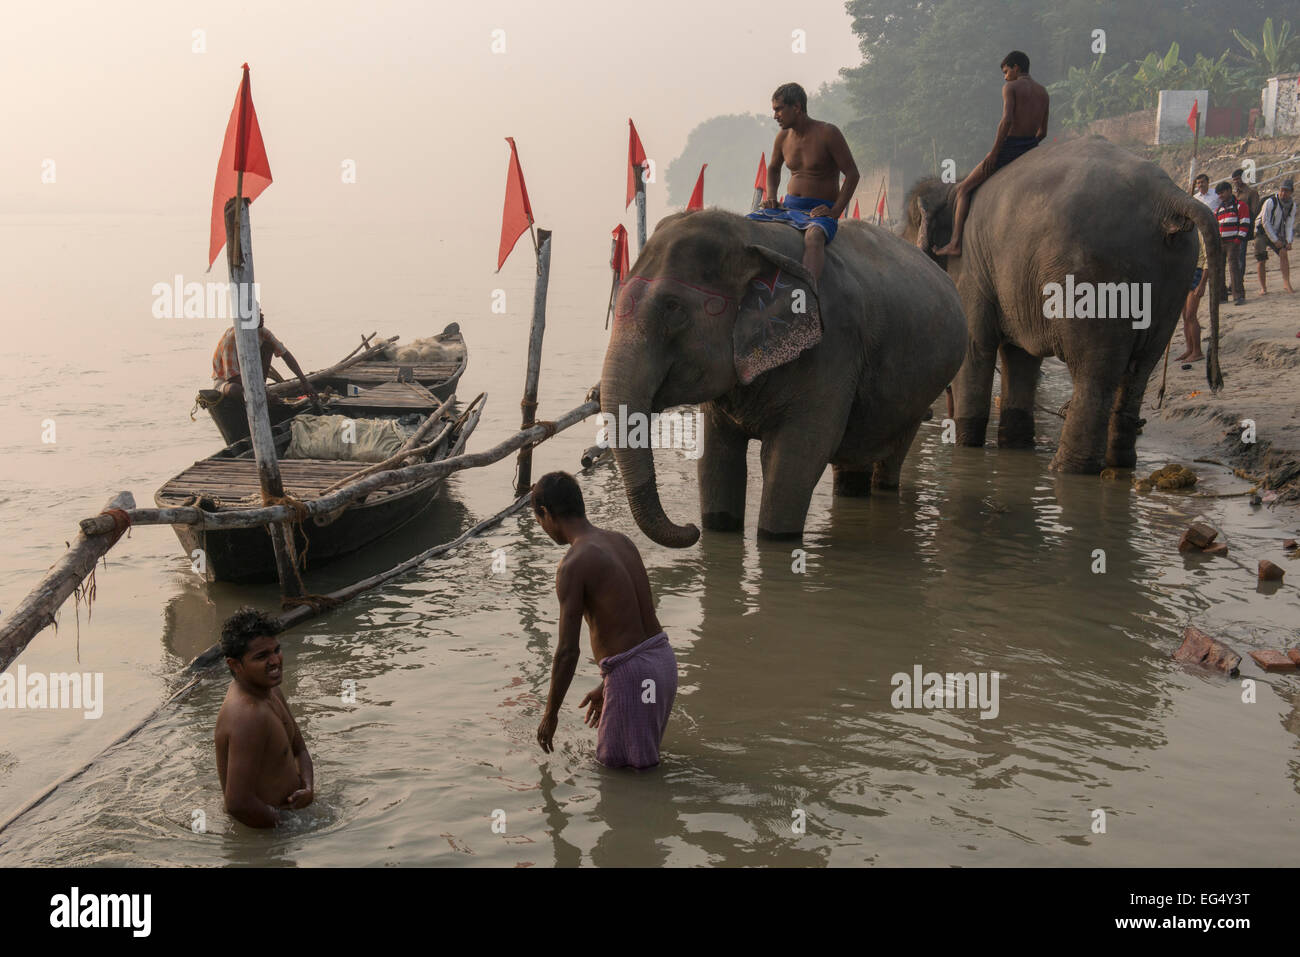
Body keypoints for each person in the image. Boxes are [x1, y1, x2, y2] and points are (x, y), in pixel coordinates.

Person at [531, 471, 677, 770]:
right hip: (662, 662)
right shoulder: (619, 541)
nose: (543, 528)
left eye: (539, 520)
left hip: (634, 674)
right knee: (640, 769)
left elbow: (567, 651)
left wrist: (550, 714)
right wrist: (611, 683)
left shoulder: (573, 563)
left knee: (620, 780)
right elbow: (635, 622)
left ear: (545, 513)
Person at [932, 51, 1049, 257]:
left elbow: (1007, 121)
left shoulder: (1010, 87)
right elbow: (1043, 132)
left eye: (1006, 71)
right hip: (1031, 148)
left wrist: (995, 152)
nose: (1005, 77)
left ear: (1016, 68)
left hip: (1009, 148)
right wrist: (1028, 145)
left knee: (963, 189)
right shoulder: (1043, 92)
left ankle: (955, 242)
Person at [746, 82, 860, 287]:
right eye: (774, 110)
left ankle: (807, 295)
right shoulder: (782, 138)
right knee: (747, 225)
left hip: (817, 211)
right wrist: (771, 196)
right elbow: (773, 169)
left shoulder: (828, 133)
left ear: (797, 107)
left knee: (814, 237)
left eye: (779, 109)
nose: (775, 116)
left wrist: (834, 211)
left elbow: (852, 174)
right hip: (788, 208)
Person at [215, 607, 314, 828]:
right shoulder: (248, 716)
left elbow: (300, 749)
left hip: (289, 817)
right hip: (269, 829)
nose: (275, 661)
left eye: (276, 650)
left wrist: (307, 788)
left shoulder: (270, 689)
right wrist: (287, 829)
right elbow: (238, 804)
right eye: (261, 656)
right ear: (235, 665)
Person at [205, 311, 320, 405]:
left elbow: (285, 354)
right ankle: (260, 396)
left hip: (254, 379)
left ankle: (262, 390)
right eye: (258, 313)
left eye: (260, 312)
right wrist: (262, 392)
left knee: (268, 346)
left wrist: (304, 382)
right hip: (226, 382)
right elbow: (233, 378)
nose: (262, 315)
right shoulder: (231, 340)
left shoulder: (262, 332)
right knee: (236, 390)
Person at [1256, 179, 1296, 296]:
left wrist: (1289, 241)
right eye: (1282, 190)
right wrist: (1275, 240)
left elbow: (1289, 224)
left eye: (1286, 191)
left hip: (1276, 231)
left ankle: (1286, 283)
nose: (1283, 193)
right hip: (1261, 231)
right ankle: (1263, 287)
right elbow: (1265, 222)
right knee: (1261, 258)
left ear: (1291, 192)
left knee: (1284, 252)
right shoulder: (1270, 201)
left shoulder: (1292, 205)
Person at [1214, 181, 1248, 305]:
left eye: (1222, 193)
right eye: (1218, 194)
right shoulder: (1219, 209)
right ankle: (1222, 296)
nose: (1220, 196)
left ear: (1229, 190)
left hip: (1233, 242)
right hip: (1221, 243)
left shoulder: (1240, 205)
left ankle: (1238, 295)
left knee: (1234, 268)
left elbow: (1245, 224)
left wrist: (1238, 240)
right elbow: (1215, 226)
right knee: (1220, 269)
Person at [1176, 231, 1208, 362]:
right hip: (1184, 271)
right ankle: (1190, 349)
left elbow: (1208, 259)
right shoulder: (1184, 231)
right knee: (1184, 315)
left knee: (1190, 314)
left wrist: (1202, 284)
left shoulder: (1200, 231)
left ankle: (1197, 351)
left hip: (1197, 271)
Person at [1232, 168, 1261, 293]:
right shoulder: (1234, 194)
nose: (1236, 182)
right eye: (1234, 180)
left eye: (1238, 179)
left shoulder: (1251, 193)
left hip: (1244, 228)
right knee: (1234, 256)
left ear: (1243, 178)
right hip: (1232, 228)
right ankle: (1234, 282)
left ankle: (1238, 282)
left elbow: (1254, 212)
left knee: (1240, 256)